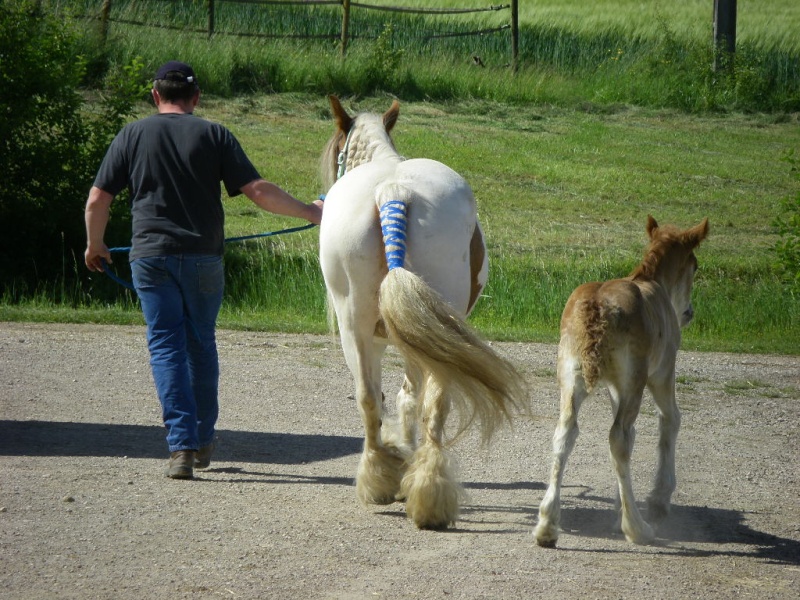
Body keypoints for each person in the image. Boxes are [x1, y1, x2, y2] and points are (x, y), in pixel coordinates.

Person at [84, 60, 323, 480]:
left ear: (155, 95)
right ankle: (203, 438)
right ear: (195, 98)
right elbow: (257, 190)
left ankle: (181, 447)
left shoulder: (132, 134)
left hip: (150, 258)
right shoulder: (214, 134)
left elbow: (97, 200)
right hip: (203, 258)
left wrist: (96, 243)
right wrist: (310, 211)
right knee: (200, 342)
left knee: (165, 346)